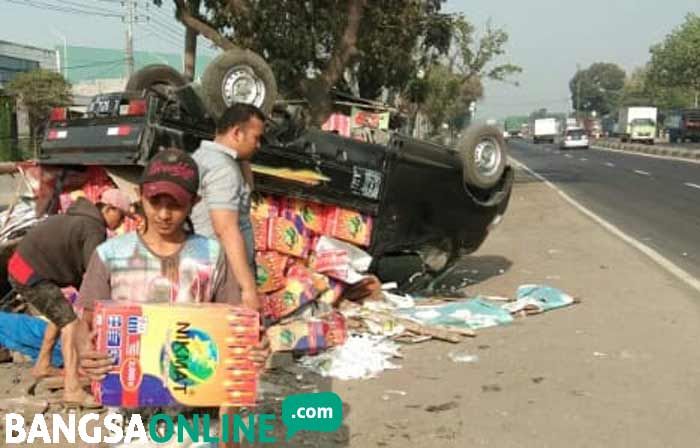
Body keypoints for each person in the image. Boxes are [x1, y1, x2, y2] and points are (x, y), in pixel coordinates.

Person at [77, 149, 269, 429]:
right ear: (140, 195)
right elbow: (87, 326)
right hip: (130, 408)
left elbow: (232, 326)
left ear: (194, 202)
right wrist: (87, 352)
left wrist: (252, 347)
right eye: (155, 202)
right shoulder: (110, 255)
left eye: (176, 205)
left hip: (197, 410)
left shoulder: (212, 255)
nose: (164, 214)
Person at [7, 188, 130, 406]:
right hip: (29, 272)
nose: (120, 223)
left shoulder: (79, 218)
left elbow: (83, 276)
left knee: (62, 313)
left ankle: (42, 363)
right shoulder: (94, 229)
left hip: (22, 267)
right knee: (71, 325)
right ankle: (72, 389)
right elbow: (95, 271)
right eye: (120, 216)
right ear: (109, 209)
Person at [190, 103, 266, 311]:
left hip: (209, 267)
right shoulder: (223, 169)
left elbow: (248, 188)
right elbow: (225, 228)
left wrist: (243, 157)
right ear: (237, 133)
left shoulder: (205, 157)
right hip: (224, 273)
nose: (258, 145)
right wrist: (248, 288)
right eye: (256, 138)